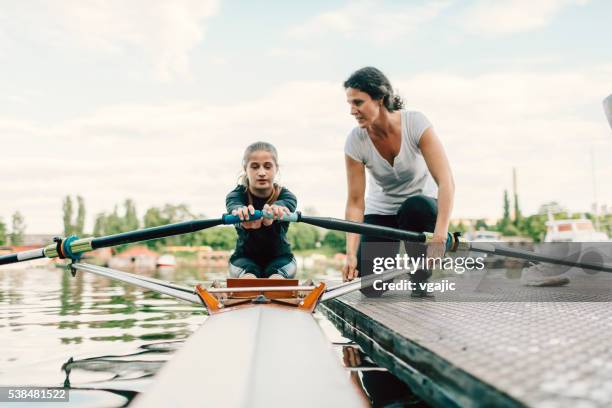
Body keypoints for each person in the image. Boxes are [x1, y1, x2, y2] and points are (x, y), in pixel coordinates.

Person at [341, 67, 455, 297]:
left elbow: (446, 181)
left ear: (379, 99)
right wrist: (351, 253)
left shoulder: (415, 123)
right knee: (370, 289)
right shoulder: (356, 140)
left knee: (415, 207)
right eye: (350, 104)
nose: (352, 111)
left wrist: (440, 236)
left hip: (419, 208)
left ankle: (420, 275)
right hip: (382, 210)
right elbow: (355, 202)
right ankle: (390, 267)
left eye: (358, 103)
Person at [226, 141, 297, 279]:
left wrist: (277, 209)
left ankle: (276, 286)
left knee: (276, 278)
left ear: (276, 168)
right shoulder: (236, 195)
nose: (262, 172)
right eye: (254, 167)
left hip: (281, 259)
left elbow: (287, 203)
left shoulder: (287, 196)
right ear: (245, 169)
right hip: (244, 260)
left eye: (267, 166)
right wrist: (241, 212)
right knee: (249, 277)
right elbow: (233, 205)